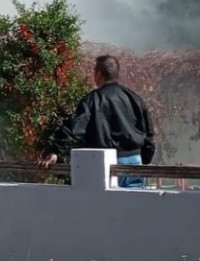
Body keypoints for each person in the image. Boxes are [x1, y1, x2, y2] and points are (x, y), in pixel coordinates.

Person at [38, 55, 156, 188]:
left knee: (107, 207)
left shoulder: (93, 100)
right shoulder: (134, 98)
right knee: (135, 205)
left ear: (99, 74)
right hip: (135, 160)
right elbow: (149, 134)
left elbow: (75, 128)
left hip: (105, 164)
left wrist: (54, 150)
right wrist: (144, 160)